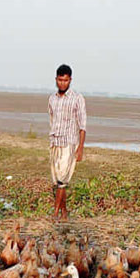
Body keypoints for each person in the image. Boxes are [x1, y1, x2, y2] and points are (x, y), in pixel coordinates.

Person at [48, 64, 86, 221]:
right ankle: (64, 213)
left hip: (69, 143)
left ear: (70, 80)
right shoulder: (52, 99)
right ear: (56, 80)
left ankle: (55, 213)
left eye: (65, 80)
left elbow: (82, 125)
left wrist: (80, 148)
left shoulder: (77, 98)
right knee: (57, 180)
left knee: (62, 180)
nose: (62, 83)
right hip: (55, 141)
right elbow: (52, 120)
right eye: (60, 80)